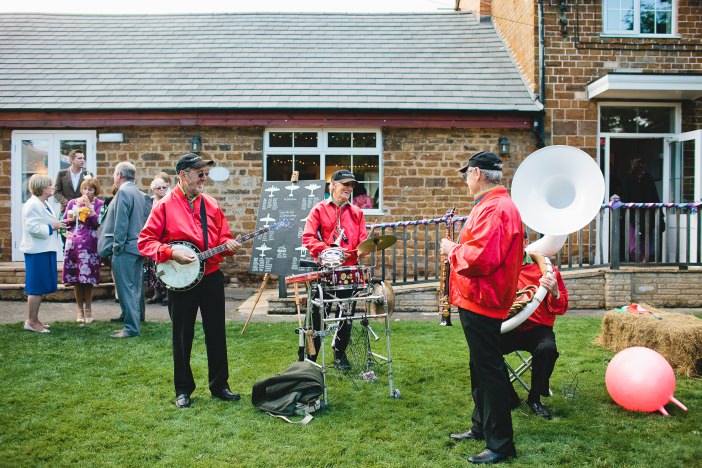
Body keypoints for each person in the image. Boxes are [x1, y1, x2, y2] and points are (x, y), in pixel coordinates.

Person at [138, 153, 242, 409]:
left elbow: (222, 239)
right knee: (182, 335)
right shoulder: (163, 206)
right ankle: (183, 389)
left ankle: (220, 385)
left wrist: (229, 246)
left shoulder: (212, 204)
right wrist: (171, 253)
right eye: (200, 173)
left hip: (210, 277)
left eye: (206, 173)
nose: (204, 178)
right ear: (183, 175)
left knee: (216, 333)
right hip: (180, 281)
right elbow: (145, 242)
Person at [440, 151, 523, 465]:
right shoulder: (495, 205)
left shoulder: (494, 208)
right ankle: (481, 427)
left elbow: (479, 259)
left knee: (489, 371)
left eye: (466, 174)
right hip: (480, 298)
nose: (465, 180)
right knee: (480, 367)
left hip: (483, 299)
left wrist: (452, 250)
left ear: (476, 173)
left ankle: (501, 444)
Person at [301, 169, 369, 370]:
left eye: (351, 186)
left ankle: (340, 356)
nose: (349, 189)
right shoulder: (318, 210)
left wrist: (359, 251)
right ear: (333, 185)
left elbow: (364, 241)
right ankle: (310, 359)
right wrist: (330, 251)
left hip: (349, 271)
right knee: (316, 316)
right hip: (324, 271)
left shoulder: (357, 213)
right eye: (345, 184)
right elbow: (308, 238)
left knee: (345, 315)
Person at [501, 235, 568, 420]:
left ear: (525, 242)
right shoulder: (499, 269)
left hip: (537, 328)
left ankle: (535, 398)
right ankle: (508, 397)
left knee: (547, 349)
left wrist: (554, 292)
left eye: (516, 242)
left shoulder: (547, 270)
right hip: (508, 327)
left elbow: (561, 308)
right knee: (484, 349)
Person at [99, 162, 149, 338]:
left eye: (114, 174)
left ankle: (130, 328)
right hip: (139, 246)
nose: (114, 177)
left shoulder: (123, 192)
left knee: (126, 288)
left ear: (119, 174)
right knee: (135, 286)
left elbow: (121, 222)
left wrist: (117, 246)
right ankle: (136, 318)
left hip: (125, 247)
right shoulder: (140, 193)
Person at [20, 174, 67, 334]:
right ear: (41, 188)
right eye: (49, 185)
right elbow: (32, 228)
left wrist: (58, 227)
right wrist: (52, 227)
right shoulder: (32, 205)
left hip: (45, 249)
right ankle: (31, 322)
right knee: (36, 287)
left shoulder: (43, 203)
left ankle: (35, 319)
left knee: (40, 286)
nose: (52, 188)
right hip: (37, 251)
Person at [62, 178, 104, 323]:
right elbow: (65, 222)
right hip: (74, 244)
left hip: (90, 245)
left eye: (90, 189)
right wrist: (71, 219)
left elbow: (98, 223)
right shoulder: (72, 203)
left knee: (88, 278)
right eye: (85, 189)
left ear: (95, 191)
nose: (87, 192)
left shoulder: (100, 204)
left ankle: (89, 310)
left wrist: (90, 210)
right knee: (77, 279)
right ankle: (79, 310)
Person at [144, 176, 170, 305]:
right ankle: (157, 293)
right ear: (153, 190)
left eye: (164, 187)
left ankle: (167, 293)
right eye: (158, 188)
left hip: (165, 238)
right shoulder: (149, 202)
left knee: (165, 266)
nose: (161, 190)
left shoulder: (170, 201)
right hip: (153, 237)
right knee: (153, 267)